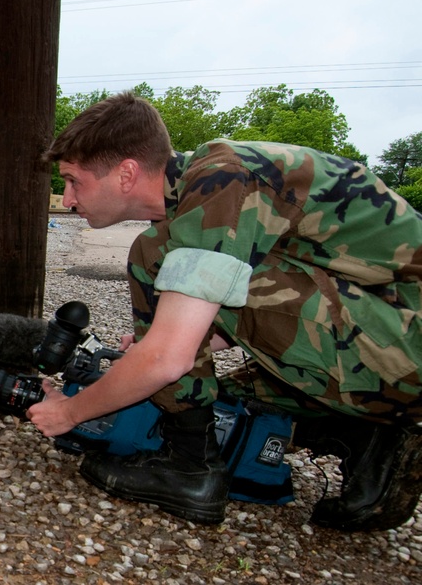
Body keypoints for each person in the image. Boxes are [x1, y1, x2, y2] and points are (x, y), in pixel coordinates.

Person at [27, 91, 422, 531]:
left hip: (406, 343)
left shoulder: (223, 179)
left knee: (162, 280)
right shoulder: (194, 198)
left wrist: (71, 412)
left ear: (126, 174)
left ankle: (193, 473)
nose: (66, 199)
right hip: (377, 339)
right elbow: (242, 317)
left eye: (73, 180)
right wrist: (157, 347)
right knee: (226, 405)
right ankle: (364, 435)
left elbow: (170, 359)